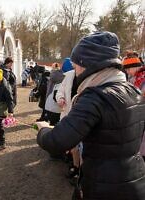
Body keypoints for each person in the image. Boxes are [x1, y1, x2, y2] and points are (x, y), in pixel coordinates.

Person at [36, 31, 145, 199]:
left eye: (76, 65)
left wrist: (43, 130)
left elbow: (56, 141)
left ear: (89, 64)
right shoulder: (133, 90)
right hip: (135, 181)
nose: (75, 70)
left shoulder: (95, 97)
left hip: (104, 186)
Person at [122, 52, 145, 161]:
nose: (127, 72)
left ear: (135, 66)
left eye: (128, 69)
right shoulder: (132, 79)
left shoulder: (143, 78)